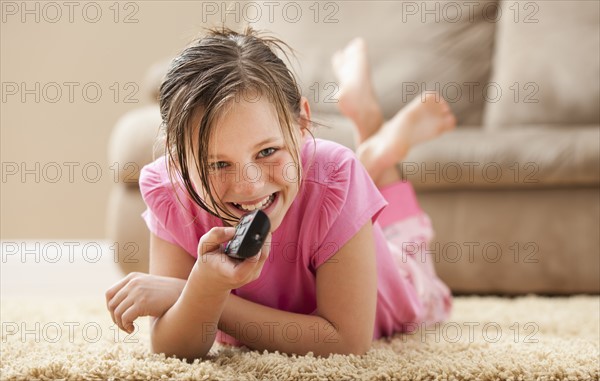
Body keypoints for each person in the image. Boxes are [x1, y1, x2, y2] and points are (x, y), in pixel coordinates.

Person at [105, 27, 455, 360]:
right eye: (217, 164)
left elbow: (345, 341)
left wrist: (201, 296)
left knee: (410, 246)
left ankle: (370, 133)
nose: (250, 186)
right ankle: (373, 149)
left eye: (267, 151)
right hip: (332, 189)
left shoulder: (336, 175)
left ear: (302, 123)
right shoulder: (172, 191)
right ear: (178, 159)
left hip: (392, 273)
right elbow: (173, 349)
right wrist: (205, 283)